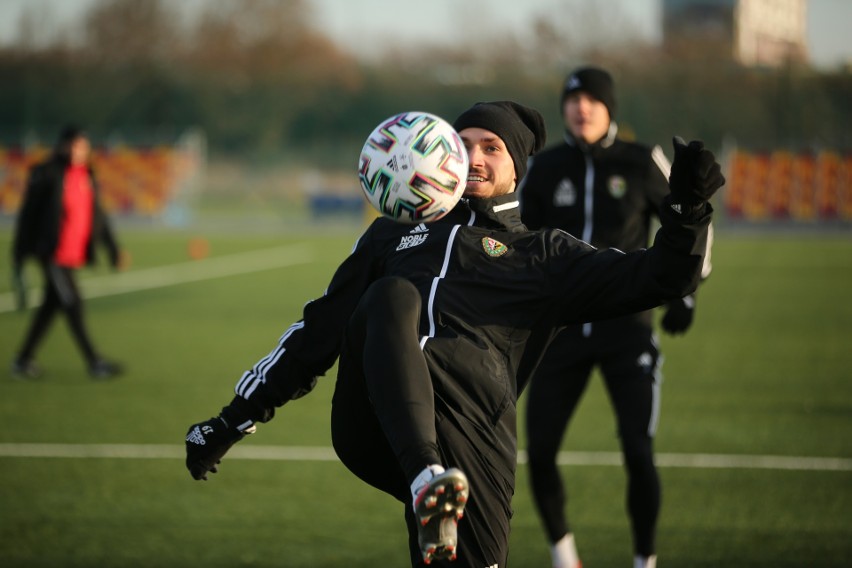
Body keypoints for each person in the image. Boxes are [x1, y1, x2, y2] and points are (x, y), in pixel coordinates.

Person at [184, 100, 723, 568]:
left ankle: (435, 495)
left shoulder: (544, 255)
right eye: (462, 145)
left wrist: (688, 210)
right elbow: (316, 331)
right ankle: (424, 479)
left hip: (475, 445)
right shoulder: (390, 235)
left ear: (517, 167)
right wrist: (231, 422)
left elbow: (660, 276)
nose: (475, 158)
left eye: (491, 147)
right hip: (378, 429)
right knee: (390, 298)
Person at [519, 67, 713, 568]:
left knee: (637, 450)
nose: (581, 108)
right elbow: (518, 240)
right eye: (573, 99)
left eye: (591, 100)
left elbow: (691, 216)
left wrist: (685, 292)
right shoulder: (545, 167)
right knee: (538, 451)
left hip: (627, 331)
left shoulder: (640, 158)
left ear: (610, 108)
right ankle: (565, 557)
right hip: (558, 333)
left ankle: (644, 561)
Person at [11, 125, 125, 380]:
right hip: (51, 253)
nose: (78, 151)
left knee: (50, 307)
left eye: (82, 146)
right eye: (73, 145)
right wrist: (18, 255)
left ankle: (22, 359)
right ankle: (95, 362)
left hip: (72, 255)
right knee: (72, 303)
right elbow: (28, 215)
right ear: (62, 146)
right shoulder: (47, 173)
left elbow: (99, 216)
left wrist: (113, 248)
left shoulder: (87, 175)